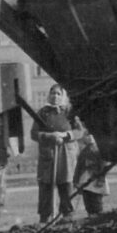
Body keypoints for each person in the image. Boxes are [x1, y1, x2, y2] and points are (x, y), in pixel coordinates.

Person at [31, 84, 83, 223]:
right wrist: (50, 136)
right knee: (46, 186)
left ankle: (67, 216)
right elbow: (34, 134)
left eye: (59, 94)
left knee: (66, 184)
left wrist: (65, 135)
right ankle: (45, 218)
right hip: (48, 154)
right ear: (49, 95)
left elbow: (80, 131)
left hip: (66, 155)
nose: (55, 96)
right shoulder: (43, 113)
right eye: (53, 93)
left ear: (63, 96)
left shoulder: (70, 112)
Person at [73, 133, 110, 216]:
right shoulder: (83, 152)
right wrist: (76, 180)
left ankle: (98, 213)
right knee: (87, 196)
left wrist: (101, 178)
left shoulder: (99, 150)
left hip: (95, 177)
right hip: (85, 177)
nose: (89, 138)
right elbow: (78, 166)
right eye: (87, 136)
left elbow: (103, 165)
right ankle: (90, 213)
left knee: (96, 198)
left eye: (91, 136)